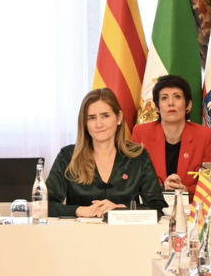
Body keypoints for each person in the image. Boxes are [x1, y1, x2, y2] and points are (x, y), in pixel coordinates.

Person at [47, 88, 164, 218]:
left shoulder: (138, 156)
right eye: (91, 118)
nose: (99, 124)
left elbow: (157, 205)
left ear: (119, 117)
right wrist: (80, 210)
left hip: (127, 235)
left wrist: (120, 209)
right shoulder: (67, 156)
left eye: (105, 116)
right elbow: (44, 205)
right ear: (84, 123)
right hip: (79, 235)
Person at [132, 74, 211, 195]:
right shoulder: (141, 133)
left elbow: (210, 183)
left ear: (188, 105)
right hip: (153, 206)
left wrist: (186, 191)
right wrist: (161, 188)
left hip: (190, 207)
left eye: (177, 97)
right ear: (157, 107)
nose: (171, 103)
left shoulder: (205, 135)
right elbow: (134, 181)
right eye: (164, 98)